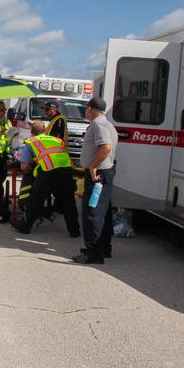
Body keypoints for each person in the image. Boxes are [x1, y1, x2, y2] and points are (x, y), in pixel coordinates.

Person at [14, 120, 79, 236]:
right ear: (45, 130)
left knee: (36, 200)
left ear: (31, 131)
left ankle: (25, 227)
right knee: (69, 201)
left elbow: (23, 166)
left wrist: (31, 167)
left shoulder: (31, 142)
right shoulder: (57, 140)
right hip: (65, 171)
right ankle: (74, 231)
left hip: (47, 171)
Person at [75, 97, 118, 264]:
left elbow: (105, 147)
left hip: (98, 175)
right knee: (103, 213)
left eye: (86, 109)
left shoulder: (99, 124)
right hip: (104, 173)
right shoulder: (107, 124)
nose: (86, 112)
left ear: (91, 109)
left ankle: (93, 253)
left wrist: (92, 166)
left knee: (92, 213)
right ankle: (104, 248)